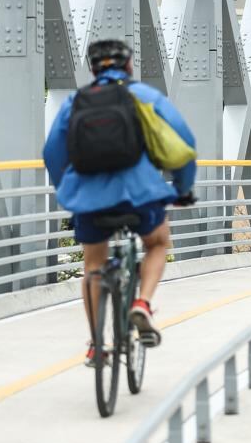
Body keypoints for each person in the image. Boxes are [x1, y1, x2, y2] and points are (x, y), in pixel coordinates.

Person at [43, 39, 196, 366]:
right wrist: (183, 188)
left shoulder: (75, 102)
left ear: (93, 69)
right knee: (157, 242)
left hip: (89, 197)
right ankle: (141, 303)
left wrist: (69, 190)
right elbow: (185, 143)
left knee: (93, 266)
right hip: (139, 193)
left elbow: (52, 153)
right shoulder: (145, 96)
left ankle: (98, 344)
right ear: (128, 66)